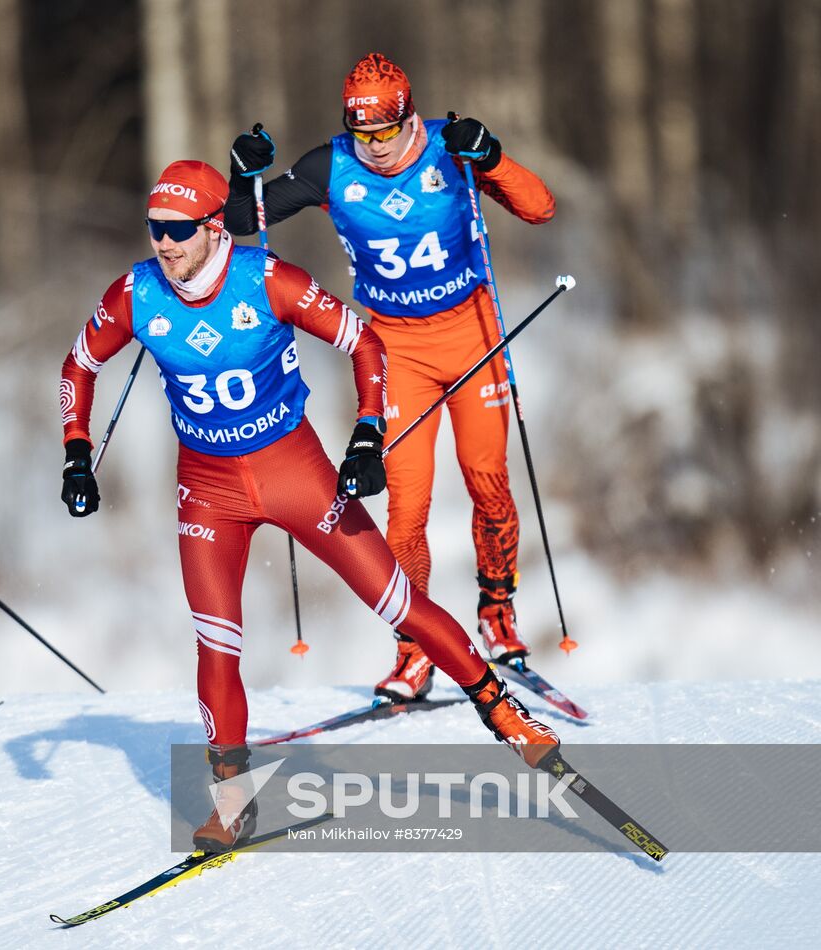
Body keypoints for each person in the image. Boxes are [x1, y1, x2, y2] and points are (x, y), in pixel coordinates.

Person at [58, 159, 558, 852]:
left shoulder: (267, 279)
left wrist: (366, 434)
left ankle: (504, 714)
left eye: (177, 230)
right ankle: (233, 801)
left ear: (210, 226)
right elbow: (79, 365)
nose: (163, 244)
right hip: (207, 489)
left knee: (397, 603)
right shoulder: (136, 293)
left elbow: (364, 342)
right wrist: (77, 451)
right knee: (216, 643)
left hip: (294, 473)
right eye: (154, 230)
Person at [225, 52, 557, 703]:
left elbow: (540, 207)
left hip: (472, 337)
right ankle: (415, 650)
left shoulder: (449, 147)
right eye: (362, 135)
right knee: (406, 511)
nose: (375, 149)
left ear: (410, 116)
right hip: (398, 349)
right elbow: (243, 222)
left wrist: (489, 156)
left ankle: (497, 609)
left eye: (386, 132)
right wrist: (243, 175)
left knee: (488, 481)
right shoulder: (332, 167)